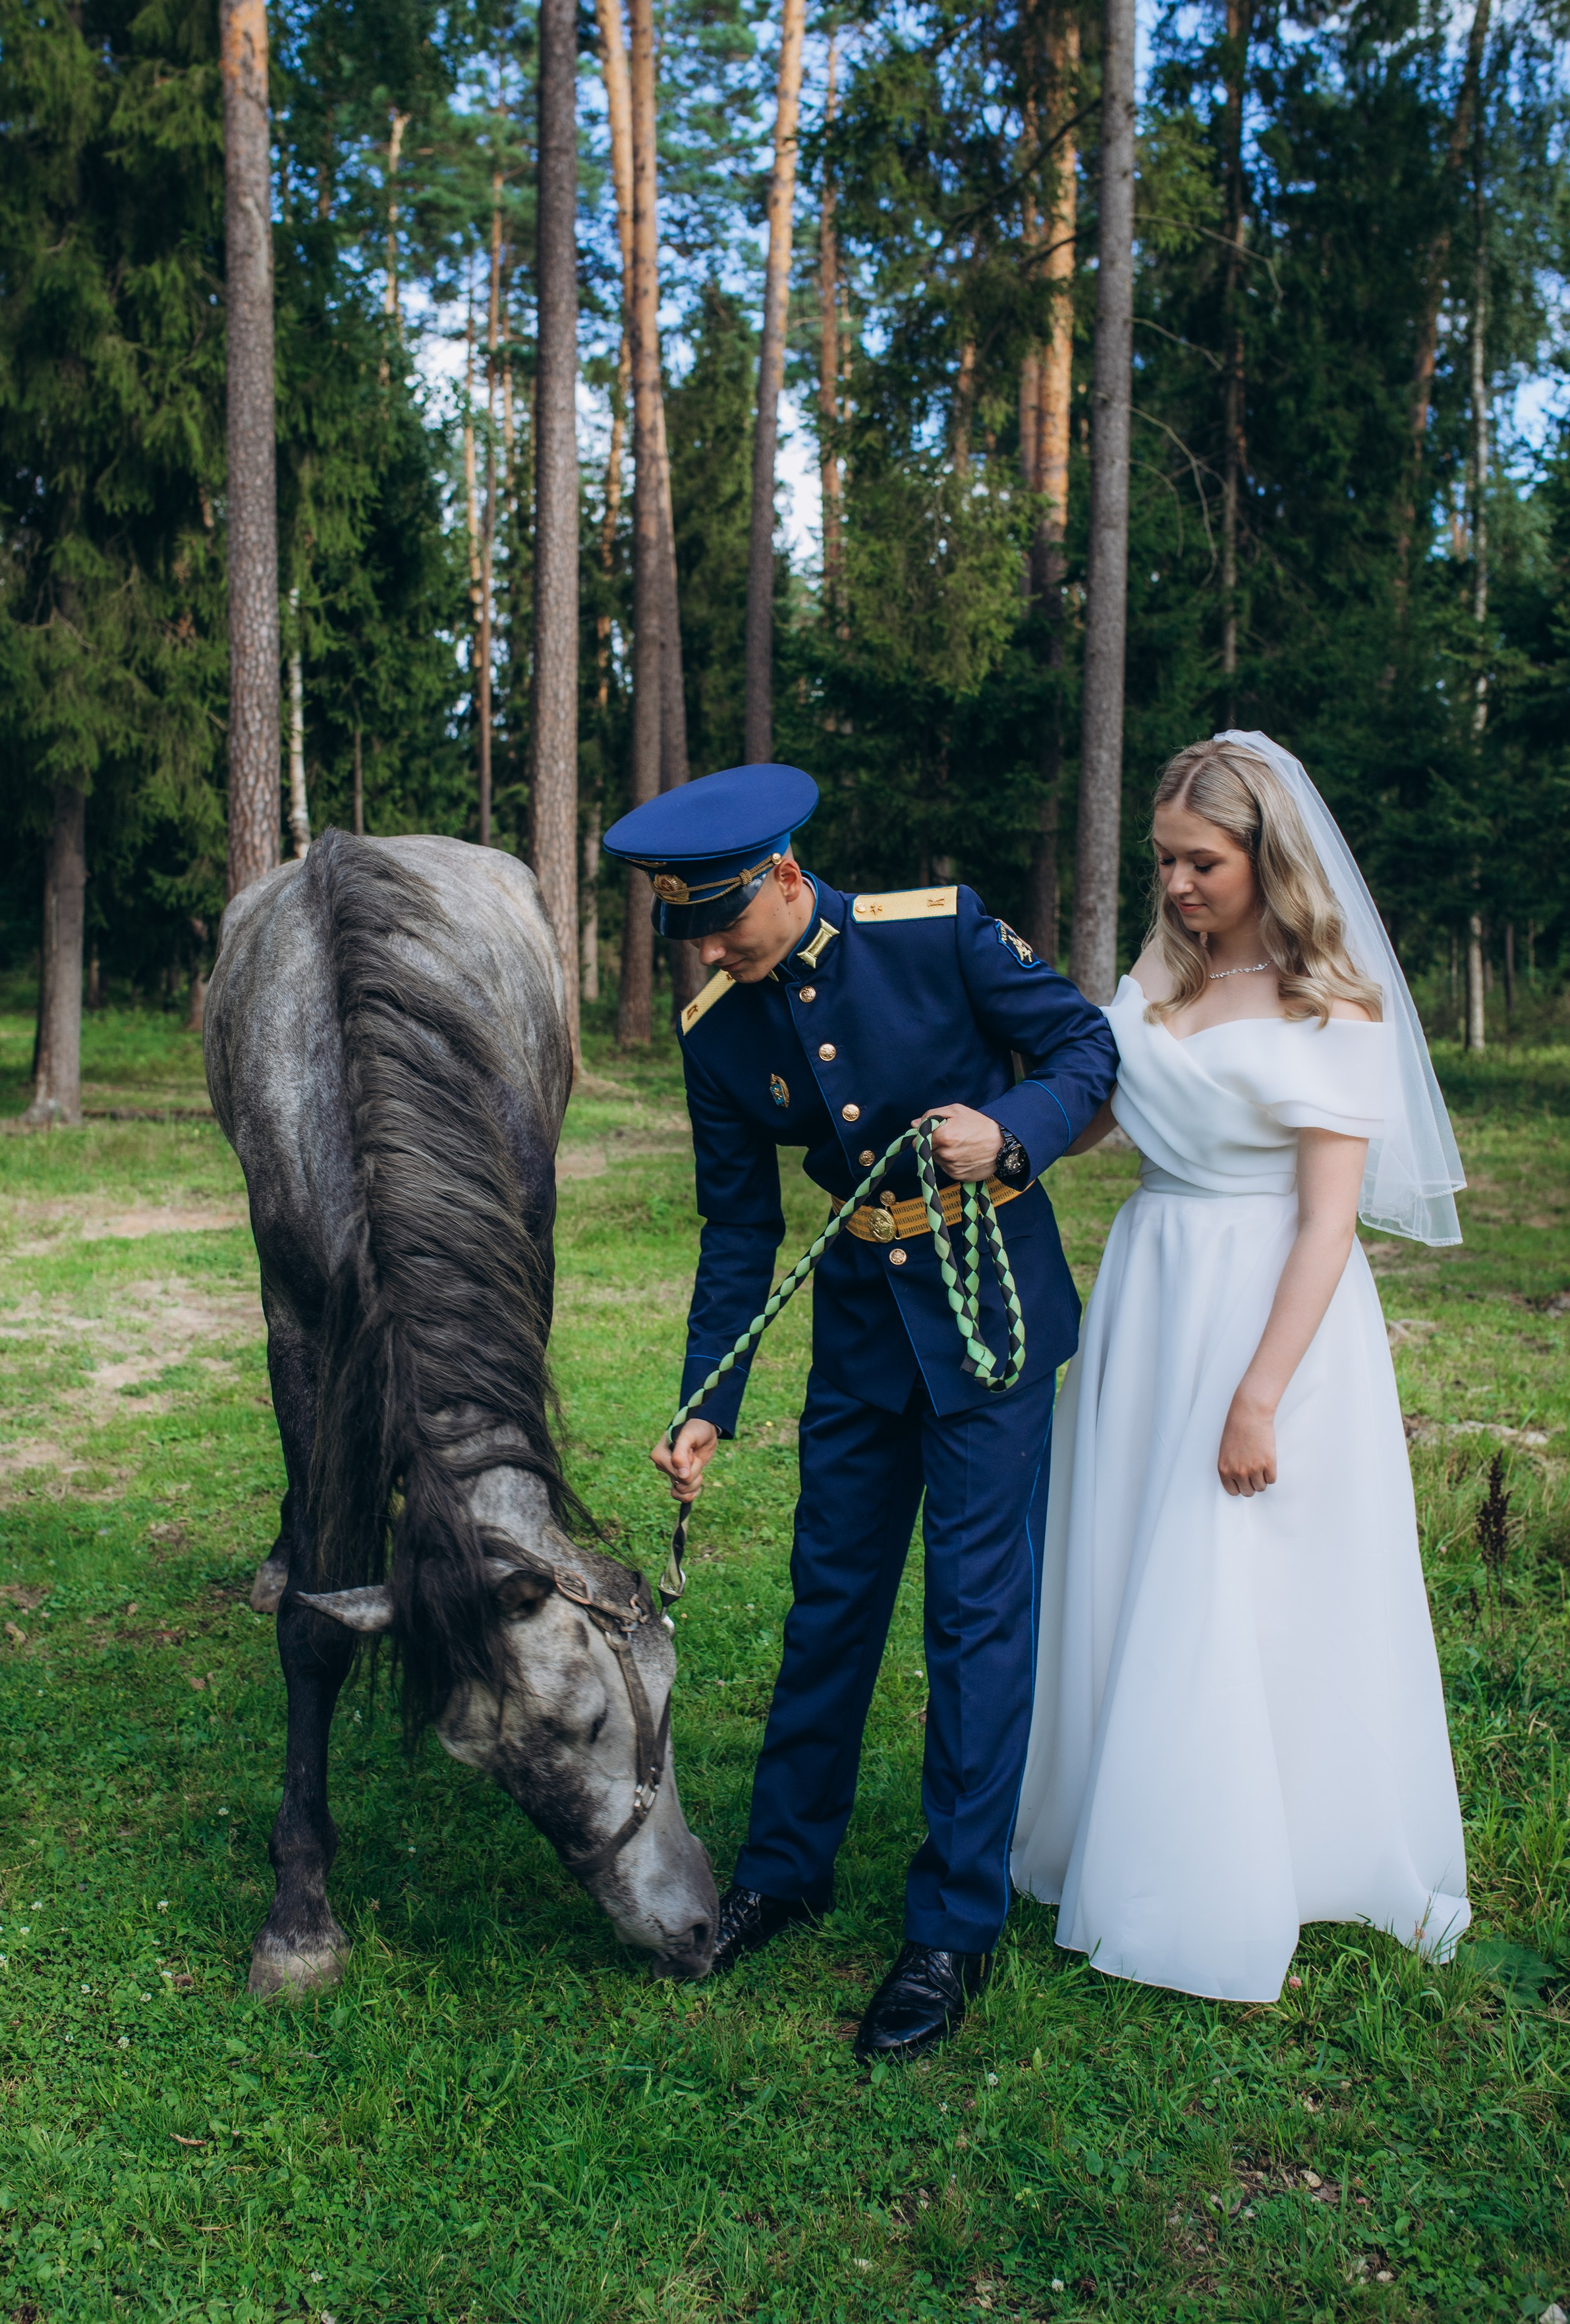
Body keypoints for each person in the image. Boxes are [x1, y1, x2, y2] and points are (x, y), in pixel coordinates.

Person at [602, 764, 1117, 2059]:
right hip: (858, 1331)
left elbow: (1082, 1046)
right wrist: (707, 1400)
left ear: (785, 874)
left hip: (988, 1304)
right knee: (828, 1599)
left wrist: (1006, 1131)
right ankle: (784, 1869)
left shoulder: (933, 932)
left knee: (972, 1621)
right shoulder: (719, 1028)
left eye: (725, 921)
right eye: (690, 930)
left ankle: (950, 1926)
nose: (710, 949)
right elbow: (736, 1228)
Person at [1011, 733, 1469, 2003]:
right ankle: (1112, 1815)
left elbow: (1329, 1222)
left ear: (1266, 855)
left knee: (1234, 1569)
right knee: (1132, 1555)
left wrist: (1258, 1392)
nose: (1176, 883)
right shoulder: (1168, 969)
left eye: (1200, 861)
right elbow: (1097, 1105)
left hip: (1268, 1305)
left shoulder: (1336, 1004)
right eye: (1163, 858)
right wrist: (1004, 1135)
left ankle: (1244, 1859)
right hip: (1153, 1287)